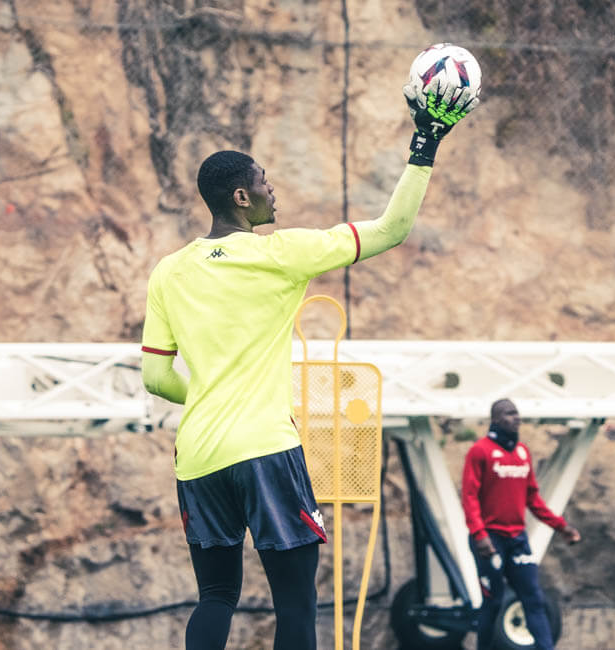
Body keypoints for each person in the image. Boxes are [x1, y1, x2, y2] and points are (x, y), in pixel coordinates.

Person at [140, 81, 479, 648]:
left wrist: (209, 396)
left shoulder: (168, 272)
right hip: (266, 449)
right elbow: (391, 229)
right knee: (296, 603)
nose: (272, 188)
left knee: (215, 596)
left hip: (197, 456)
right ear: (241, 197)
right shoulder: (281, 254)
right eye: (263, 181)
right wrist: (425, 146)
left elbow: (155, 377)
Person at [461, 398, 581, 650]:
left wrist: (561, 526)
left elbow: (533, 498)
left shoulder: (522, 452)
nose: (516, 418)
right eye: (509, 414)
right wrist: (479, 534)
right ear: (496, 419)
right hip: (490, 540)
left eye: (517, 413)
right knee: (493, 602)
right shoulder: (480, 451)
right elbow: (469, 496)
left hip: (517, 539)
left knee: (534, 598)